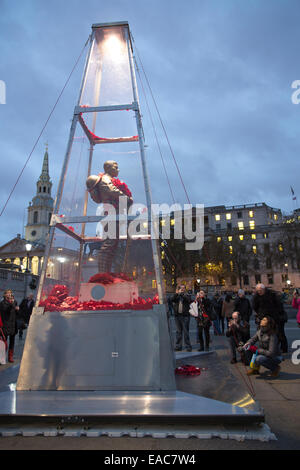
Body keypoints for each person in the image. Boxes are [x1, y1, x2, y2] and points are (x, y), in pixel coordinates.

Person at [86, 160, 133, 273]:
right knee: (109, 244)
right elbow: (113, 190)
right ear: (108, 168)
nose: (118, 170)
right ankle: (102, 273)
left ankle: (106, 272)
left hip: (115, 214)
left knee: (112, 245)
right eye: (115, 167)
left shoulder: (109, 179)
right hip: (111, 214)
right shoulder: (105, 180)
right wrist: (127, 198)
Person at [253, 283, 288, 353]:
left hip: (275, 316)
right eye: (258, 290)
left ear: (264, 289)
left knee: (279, 333)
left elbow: (278, 306)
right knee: (265, 334)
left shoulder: (272, 295)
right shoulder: (256, 297)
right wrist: (260, 315)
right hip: (264, 317)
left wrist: (276, 315)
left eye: (260, 290)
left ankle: (283, 348)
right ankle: (270, 348)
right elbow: (255, 307)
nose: (259, 292)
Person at [0, 289, 19, 363]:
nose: (9, 294)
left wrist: (17, 310)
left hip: (13, 325)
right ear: (4, 295)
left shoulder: (15, 302)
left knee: (12, 342)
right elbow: (6, 310)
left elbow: (16, 313)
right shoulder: (2, 303)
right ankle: (2, 357)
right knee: (4, 343)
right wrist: (12, 303)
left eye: (10, 293)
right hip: (5, 325)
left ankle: (10, 357)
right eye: (8, 293)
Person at [172, 285, 192, 352]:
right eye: (181, 288)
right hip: (177, 316)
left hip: (185, 316)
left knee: (186, 332)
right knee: (178, 332)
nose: (182, 289)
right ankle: (178, 346)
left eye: (183, 288)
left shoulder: (187, 295)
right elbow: (172, 299)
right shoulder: (177, 296)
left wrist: (182, 295)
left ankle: (188, 346)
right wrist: (177, 293)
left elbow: (189, 300)